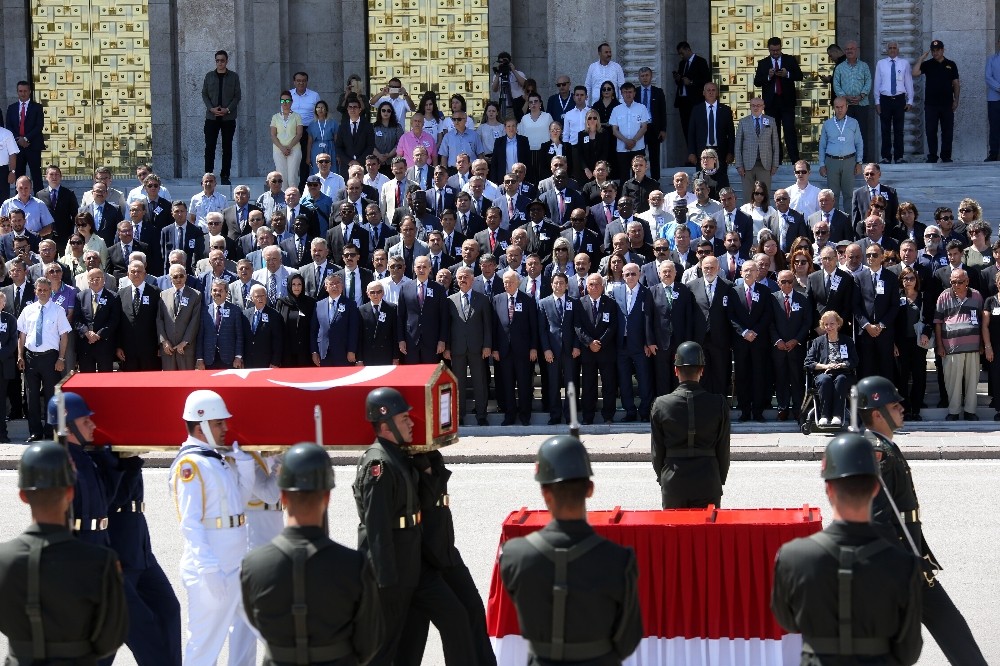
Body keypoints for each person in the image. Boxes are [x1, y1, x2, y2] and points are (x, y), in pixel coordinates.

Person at [857, 376, 989, 664]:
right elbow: (877, 518)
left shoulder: (882, 446)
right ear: (877, 414)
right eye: (895, 405)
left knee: (949, 625)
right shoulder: (875, 451)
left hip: (908, 560)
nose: (902, 408)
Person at [771, 432, 923, 665]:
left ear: (828, 489)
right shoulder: (903, 565)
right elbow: (909, 651)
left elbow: (788, 622)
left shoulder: (792, 558)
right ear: (875, 488)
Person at [353, 388, 475, 665]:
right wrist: (384, 582)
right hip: (392, 572)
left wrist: (428, 467)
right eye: (403, 418)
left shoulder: (399, 457)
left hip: (415, 566)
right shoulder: (379, 465)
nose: (411, 423)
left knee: (456, 616)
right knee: (385, 648)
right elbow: (377, 528)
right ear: (385, 425)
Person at [499, 435, 643, 664]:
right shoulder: (618, 561)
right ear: (590, 489)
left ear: (545, 493)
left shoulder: (514, 555)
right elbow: (628, 639)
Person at [241, 442, 382, 665]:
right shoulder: (354, 565)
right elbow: (369, 641)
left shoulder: (254, 565)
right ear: (327, 498)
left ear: (284, 498)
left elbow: (257, 623)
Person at [0, 440, 128, 663]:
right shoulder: (100, 562)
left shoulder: (4, 559)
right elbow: (110, 639)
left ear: (22, 495)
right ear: (70, 493)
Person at [169, 390, 255, 666]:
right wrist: (208, 568)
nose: (225, 428)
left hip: (235, 564)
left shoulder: (215, 459)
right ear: (200, 425)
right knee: (204, 646)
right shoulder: (190, 464)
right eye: (219, 423)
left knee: (256, 632)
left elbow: (239, 505)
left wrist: (245, 468)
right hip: (212, 568)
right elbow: (190, 522)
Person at [650, 341, 730, 508]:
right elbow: (723, 449)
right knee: (708, 533)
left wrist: (663, 478)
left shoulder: (661, 404)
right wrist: (718, 479)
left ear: (675, 370)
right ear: (702, 370)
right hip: (708, 478)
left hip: (674, 479)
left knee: (675, 534)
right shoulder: (718, 403)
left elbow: (657, 452)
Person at [16, 276, 70, 441]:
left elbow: (64, 336)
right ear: (35, 291)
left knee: (50, 396)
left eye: (45, 290)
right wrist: (20, 356)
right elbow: (22, 335)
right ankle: (35, 431)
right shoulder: (28, 310)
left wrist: (61, 358)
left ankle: (49, 430)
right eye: (39, 290)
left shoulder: (58, 310)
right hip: (31, 357)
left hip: (50, 358)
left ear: (50, 291)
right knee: (31, 397)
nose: (42, 293)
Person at [934, 268, 984, 420]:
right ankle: (954, 411)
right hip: (951, 347)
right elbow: (937, 322)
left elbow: (982, 321)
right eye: (953, 282)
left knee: (972, 380)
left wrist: (982, 343)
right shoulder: (944, 296)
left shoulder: (976, 295)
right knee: (952, 382)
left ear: (967, 282)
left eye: (960, 282)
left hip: (973, 346)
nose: (956, 285)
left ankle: (970, 411)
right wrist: (940, 345)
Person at [445, 267, 492, 425]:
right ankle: (459, 415)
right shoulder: (450, 300)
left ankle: (481, 415)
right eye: (459, 277)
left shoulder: (483, 299)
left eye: (465, 277)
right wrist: (447, 348)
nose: (462, 280)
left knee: (480, 382)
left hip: (477, 348)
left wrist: (487, 345)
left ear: (472, 279)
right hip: (457, 349)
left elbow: (487, 325)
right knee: (458, 383)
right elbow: (448, 326)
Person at [753, 37, 803, 163]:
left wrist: (787, 74)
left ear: (781, 48)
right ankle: (776, 161)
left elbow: (800, 76)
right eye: (773, 50)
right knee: (773, 133)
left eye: (777, 50)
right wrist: (768, 76)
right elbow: (757, 82)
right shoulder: (763, 63)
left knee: (789, 130)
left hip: (787, 102)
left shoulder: (789, 59)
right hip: (771, 103)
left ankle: (795, 161)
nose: (775, 53)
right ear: (769, 49)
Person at [805, 310, 858, 426]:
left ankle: (837, 416)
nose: (829, 327)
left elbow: (854, 361)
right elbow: (808, 363)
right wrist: (826, 366)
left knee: (841, 379)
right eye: (826, 324)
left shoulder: (847, 341)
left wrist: (843, 364)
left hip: (843, 373)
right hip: (824, 373)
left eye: (832, 323)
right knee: (825, 380)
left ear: (838, 324)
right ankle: (824, 416)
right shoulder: (817, 342)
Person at [912, 40, 960, 163]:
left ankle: (946, 156)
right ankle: (932, 156)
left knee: (947, 131)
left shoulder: (951, 64)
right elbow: (915, 72)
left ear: (943, 50)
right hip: (931, 104)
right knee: (931, 130)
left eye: (938, 50)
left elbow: (955, 83)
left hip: (947, 103)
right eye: (933, 51)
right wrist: (921, 58)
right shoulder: (928, 64)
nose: (935, 53)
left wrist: (956, 100)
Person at [201, 51, 241, 185]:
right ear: (215, 61)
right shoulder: (209, 76)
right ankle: (208, 176)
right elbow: (204, 94)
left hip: (228, 118)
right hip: (211, 118)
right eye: (217, 60)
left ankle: (225, 175)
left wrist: (227, 109)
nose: (220, 63)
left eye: (222, 60)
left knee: (227, 147)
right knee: (210, 147)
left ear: (226, 61)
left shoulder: (234, 77)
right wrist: (211, 108)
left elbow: (237, 96)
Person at [833, 41, 873, 161]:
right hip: (846, 107)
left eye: (852, 49)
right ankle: (848, 158)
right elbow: (836, 84)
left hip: (862, 104)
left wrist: (861, 95)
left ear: (857, 50)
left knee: (861, 133)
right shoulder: (840, 68)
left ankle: (862, 159)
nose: (849, 51)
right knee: (846, 133)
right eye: (847, 49)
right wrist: (845, 97)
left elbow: (868, 81)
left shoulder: (864, 66)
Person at [874, 41, 913, 164]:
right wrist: (877, 102)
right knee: (885, 129)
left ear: (898, 50)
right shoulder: (881, 64)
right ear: (887, 50)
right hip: (885, 99)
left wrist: (910, 100)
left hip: (899, 99)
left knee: (899, 130)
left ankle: (899, 157)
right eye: (890, 48)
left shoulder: (904, 63)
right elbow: (877, 82)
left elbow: (908, 82)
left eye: (894, 48)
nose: (892, 50)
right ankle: (886, 157)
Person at [734, 98, 779, 201]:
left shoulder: (771, 121)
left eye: (758, 105)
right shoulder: (743, 122)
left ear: (763, 107)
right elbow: (738, 146)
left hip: (765, 164)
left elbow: (775, 144)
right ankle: (748, 216)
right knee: (748, 195)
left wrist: (775, 164)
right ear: (750, 107)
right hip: (747, 166)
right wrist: (739, 165)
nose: (756, 107)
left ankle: (765, 215)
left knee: (764, 195)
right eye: (753, 105)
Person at [5, 81, 45, 192]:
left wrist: (26, 138)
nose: (23, 94)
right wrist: (19, 139)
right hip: (17, 147)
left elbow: (39, 126)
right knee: (19, 175)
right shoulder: (11, 108)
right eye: (20, 91)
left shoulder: (37, 107)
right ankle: (19, 200)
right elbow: (9, 126)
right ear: (17, 92)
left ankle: (39, 200)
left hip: (33, 145)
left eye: (25, 91)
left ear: (30, 92)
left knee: (36, 175)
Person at [275, 272, 315, 367]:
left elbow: (314, 328)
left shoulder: (311, 303)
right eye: (293, 284)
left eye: (299, 284)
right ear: (289, 285)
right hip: (287, 352)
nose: (296, 287)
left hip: (306, 352)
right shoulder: (282, 303)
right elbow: (278, 328)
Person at [271, 90, 304, 187]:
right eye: (282, 101)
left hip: (294, 148)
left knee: (292, 177)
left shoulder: (297, 116)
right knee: (281, 177)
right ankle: (283, 201)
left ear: (291, 102)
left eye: (287, 100)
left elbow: (299, 134)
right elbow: (273, 135)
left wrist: (289, 147)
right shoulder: (275, 117)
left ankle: (293, 199)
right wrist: (282, 148)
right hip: (278, 149)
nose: (285, 103)